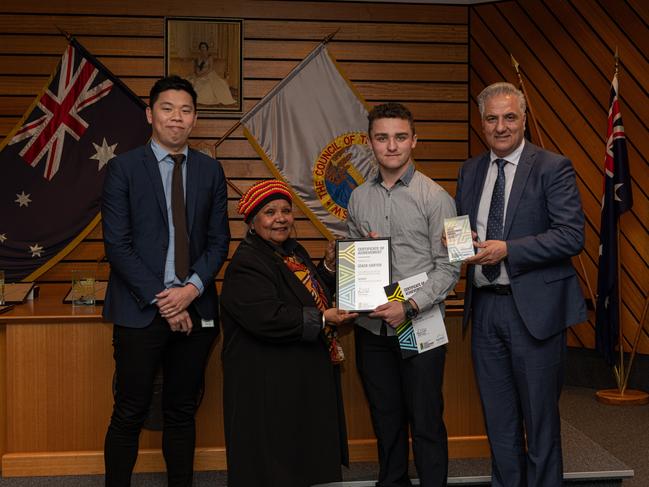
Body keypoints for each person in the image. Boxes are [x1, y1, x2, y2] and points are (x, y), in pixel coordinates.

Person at [454, 82, 587, 487]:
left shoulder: (552, 166)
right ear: (481, 123)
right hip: (485, 309)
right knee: (499, 422)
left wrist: (509, 249)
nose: (500, 126)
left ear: (524, 119)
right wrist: (455, 244)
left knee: (540, 424)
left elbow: (571, 235)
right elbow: (464, 233)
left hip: (534, 312)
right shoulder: (470, 170)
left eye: (509, 117)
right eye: (492, 118)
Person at [101, 75, 230, 486]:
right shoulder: (123, 169)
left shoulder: (211, 170)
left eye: (186, 110)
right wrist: (167, 301)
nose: (177, 117)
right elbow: (118, 246)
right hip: (140, 310)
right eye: (167, 108)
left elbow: (218, 241)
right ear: (150, 114)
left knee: (181, 410)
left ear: (195, 119)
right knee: (130, 410)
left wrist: (190, 289)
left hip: (196, 308)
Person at [347, 103, 460, 486]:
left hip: (419, 324)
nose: (391, 146)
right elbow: (354, 259)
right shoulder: (358, 198)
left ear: (414, 141)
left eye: (399, 137)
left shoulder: (439, 197)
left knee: (426, 419)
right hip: (372, 328)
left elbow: (451, 268)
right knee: (386, 419)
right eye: (382, 138)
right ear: (370, 143)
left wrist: (408, 305)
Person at [220, 179, 357, 487]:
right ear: (253, 222)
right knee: (272, 463)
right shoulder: (247, 263)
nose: (280, 218)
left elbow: (304, 295)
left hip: (293, 377)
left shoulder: (292, 252)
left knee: (298, 457)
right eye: (269, 212)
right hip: (265, 383)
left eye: (285, 210)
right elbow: (269, 317)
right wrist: (324, 319)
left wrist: (330, 268)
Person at [188, 41, 236, 107]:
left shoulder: (210, 57)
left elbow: (210, 68)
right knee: (192, 82)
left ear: (206, 49)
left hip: (209, 74)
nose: (202, 49)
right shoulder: (198, 58)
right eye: (201, 48)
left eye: (204, 47)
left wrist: (202, 75)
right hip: (199, 74)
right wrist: (198, 73)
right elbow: (197, 67)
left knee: (208, 85)